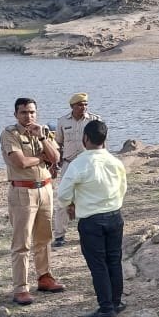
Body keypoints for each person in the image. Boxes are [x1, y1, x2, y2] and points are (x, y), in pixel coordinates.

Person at [56, 120, 127, 317]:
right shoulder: (115, 162)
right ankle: (115, 301)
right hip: (114, 216)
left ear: (85, 139)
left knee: (98, 264)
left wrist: (70, 203)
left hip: (92, 220)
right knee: (114, 260)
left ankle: (106, 307)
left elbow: (63, 193)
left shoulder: (80, 163)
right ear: (105, 139)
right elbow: (123, 188)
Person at [1, 98, 65, 306]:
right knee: (22, 243)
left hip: (45, 188)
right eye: (23, 113)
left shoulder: (43, 131)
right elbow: (20, 162)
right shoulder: (10, 134)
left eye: (31, 112)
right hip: (22, 191)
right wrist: (41, 158)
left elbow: (55, 157)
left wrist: (43, 139)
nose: (28, 116)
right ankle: (21, 288)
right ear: (16, 114)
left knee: (44, 237)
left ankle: (45, 277)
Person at [53, 92, 102, 247]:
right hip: (69, 164)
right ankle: (60, 235)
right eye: (80, 104)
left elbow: (102, 143)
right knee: (63, 199)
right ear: (72, 106)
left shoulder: (95, 120)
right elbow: (57, 144)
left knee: (90, 198)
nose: (84, 107)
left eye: (86, 104)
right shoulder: (62, 121)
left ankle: (91, 234)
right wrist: (55, 163)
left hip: (89, 163)